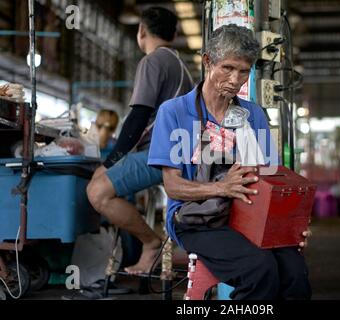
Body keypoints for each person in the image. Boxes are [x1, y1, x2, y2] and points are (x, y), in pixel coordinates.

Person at [148, 24, 312, 300]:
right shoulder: (174, 112)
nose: (236, 79)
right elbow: (173, 187)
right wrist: (222, 188)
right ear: (208, 62)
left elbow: (269, 178)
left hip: (246, 215)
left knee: (295, 273)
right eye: (228, 68)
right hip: (196, 218)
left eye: (244, 71)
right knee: (259, 270)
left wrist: (289, 226)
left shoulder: (253, 115)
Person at [86, 7, 193, 275]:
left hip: (160, 155)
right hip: (178, 155)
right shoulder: (181, 67)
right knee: (106, 188)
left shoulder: (153, 61)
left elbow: (138, 116)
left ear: (141, 31)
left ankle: (150, 242)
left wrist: (110, 161)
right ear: (175, 33)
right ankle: (146, 246)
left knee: (96, 192)